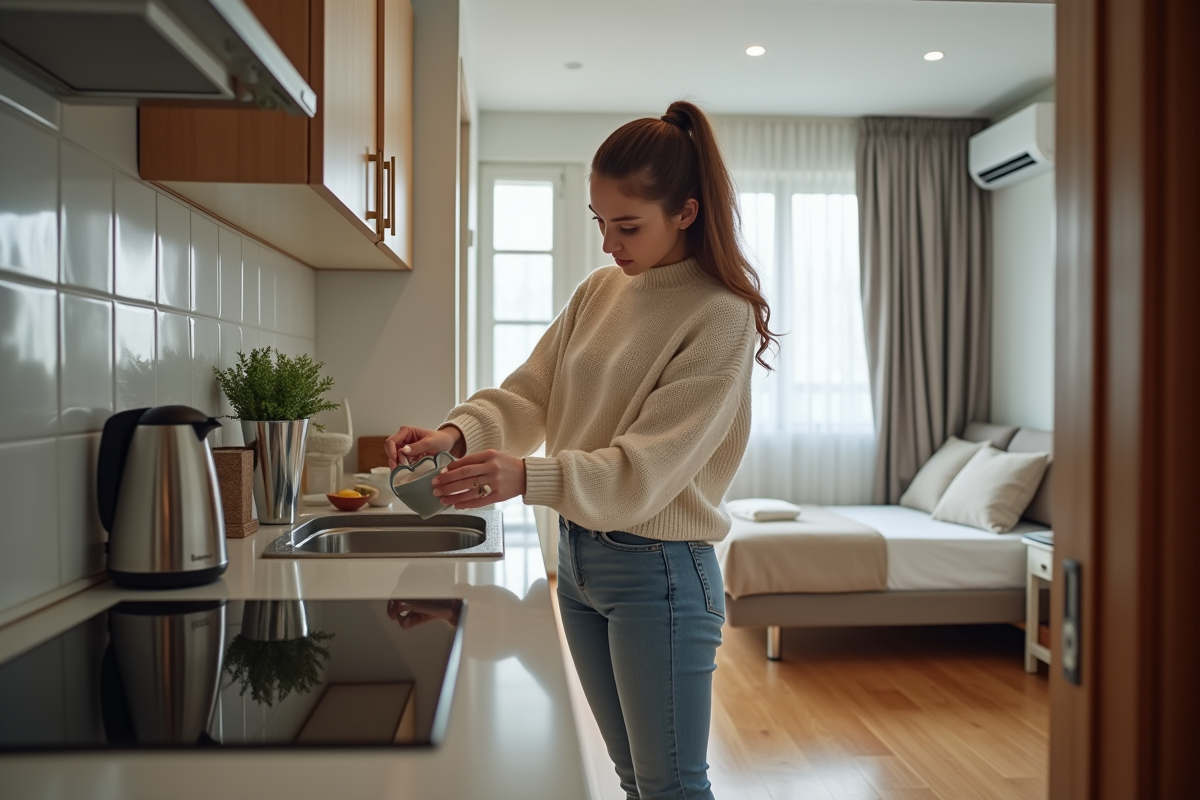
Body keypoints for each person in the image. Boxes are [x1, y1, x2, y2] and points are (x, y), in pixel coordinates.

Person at [385, 100, 777, 800]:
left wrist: (526, 476)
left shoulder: (721, 316)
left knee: (672, 788)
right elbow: (534, 393)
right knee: (635, 779)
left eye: (627, 226)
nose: (609, 244)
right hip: (582, 556)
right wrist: (457, 434)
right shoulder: (600, 290)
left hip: (660, 572)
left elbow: (646, 468)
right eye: (599, 222)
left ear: (686, 212)